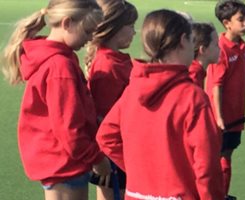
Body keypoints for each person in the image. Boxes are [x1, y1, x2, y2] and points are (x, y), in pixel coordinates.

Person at [95, 9, 224, 200]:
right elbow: (206, 166)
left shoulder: (133, 90)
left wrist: (140, 171)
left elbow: (106, 136)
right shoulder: (192, 97)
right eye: (191, 40)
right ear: (183, 40)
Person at [1, 0, 111, 199]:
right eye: (87, 31)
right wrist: (96, 159)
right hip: (64, 164)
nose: (90, 39)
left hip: (62, 161)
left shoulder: (60, 57)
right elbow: (69, 127)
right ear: (67, 23)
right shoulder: (59, 67)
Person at [207, 0, 245, 199]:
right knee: (215, 160)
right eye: (241, 19)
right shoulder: (221, 48)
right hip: (220, 118)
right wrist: (219, 117)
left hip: (236, 115)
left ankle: (222, 194)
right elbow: (216, 86)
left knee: (227, 155)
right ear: (226, 23)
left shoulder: (244, 47)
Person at [84, 0, 138, 199]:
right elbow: (102, 119)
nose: (134, 32)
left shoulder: (118, 59)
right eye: (130, 26)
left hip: (124, 148)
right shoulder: (107, 66)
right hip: (114, 154)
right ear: (114, 28)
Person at [190, 23, 219, 88]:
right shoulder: (194, 77)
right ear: (203, 50)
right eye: (216, 45)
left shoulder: (199, 72)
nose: (220, 48)